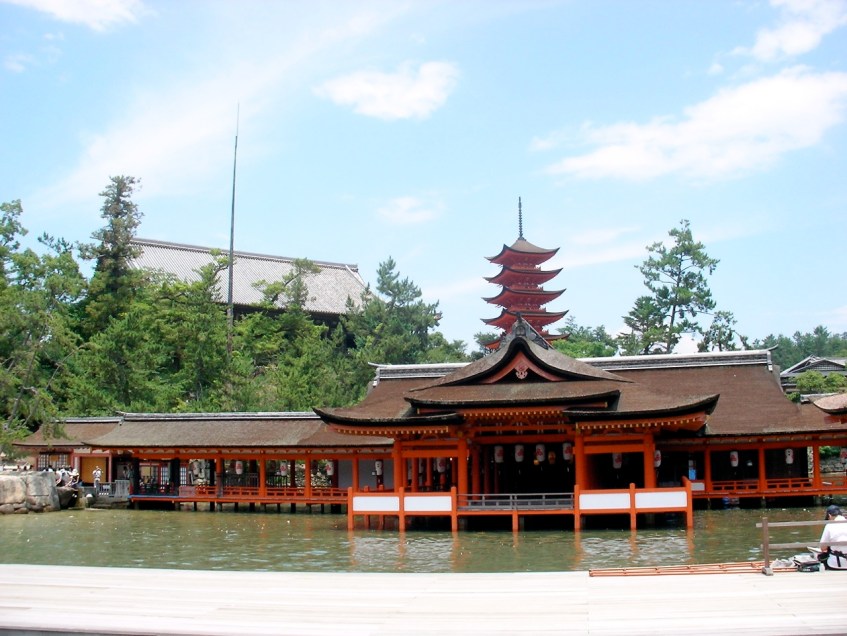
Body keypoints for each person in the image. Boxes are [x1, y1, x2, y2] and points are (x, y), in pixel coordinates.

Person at [820, 504, 847, 570]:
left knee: (822, 556)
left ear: (829, 515)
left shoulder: (829, 526)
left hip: (835, 564)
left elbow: (823, 548)